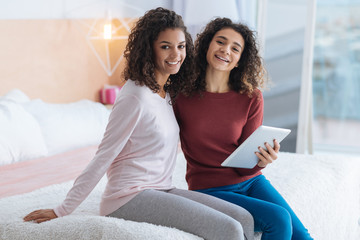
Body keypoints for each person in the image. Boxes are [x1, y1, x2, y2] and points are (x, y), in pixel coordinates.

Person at [23, 8, 255, 240]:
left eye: (181, 46)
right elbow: (104, 155)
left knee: (244, 217)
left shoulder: (166, 93)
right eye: (165, 46)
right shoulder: (135, 95)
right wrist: (62, 209)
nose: (176, 54)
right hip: (127, 198)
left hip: (162, 188)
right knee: (230, 229)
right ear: (148, 49)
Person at [173, 17, 313, 240]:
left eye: (235, 48)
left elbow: (246, 163)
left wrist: (262, 160)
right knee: (278, 219)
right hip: (209, 189)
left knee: (303, 237)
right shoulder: (180, 94)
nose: (226, 50)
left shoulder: (251, 97)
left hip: (251, 181)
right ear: (207, 45)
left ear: (239, 60)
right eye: (220, 41)